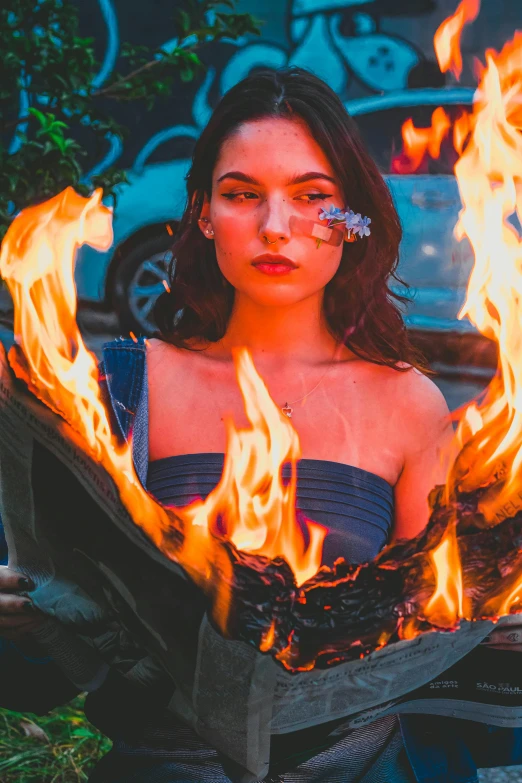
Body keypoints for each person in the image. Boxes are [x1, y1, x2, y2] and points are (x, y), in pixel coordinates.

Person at [0, 66, 520, 783]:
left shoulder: (412, 404)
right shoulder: (124, 383)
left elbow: (431, 638)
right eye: (243, 195)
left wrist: (491, 640)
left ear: (353, 219)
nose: (275, 227)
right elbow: (63, 650)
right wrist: (28, 620)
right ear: (205, 213)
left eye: (312, 197)